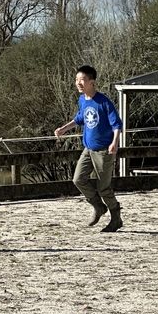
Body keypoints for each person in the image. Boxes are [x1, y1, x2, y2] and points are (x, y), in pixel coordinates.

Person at [54, 64, 123, 233]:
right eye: (77, 80)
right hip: (88, 149)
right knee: (78, 179)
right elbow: (80, 118)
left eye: (82, 80)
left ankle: (116, 218)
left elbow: (116, 124)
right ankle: (98, 206)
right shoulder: (82, 100)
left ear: (92, 82)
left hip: (103, 150)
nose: (78, 83)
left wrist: (114, 142)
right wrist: (64, 129)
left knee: (103, 187)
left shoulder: (103, 102)